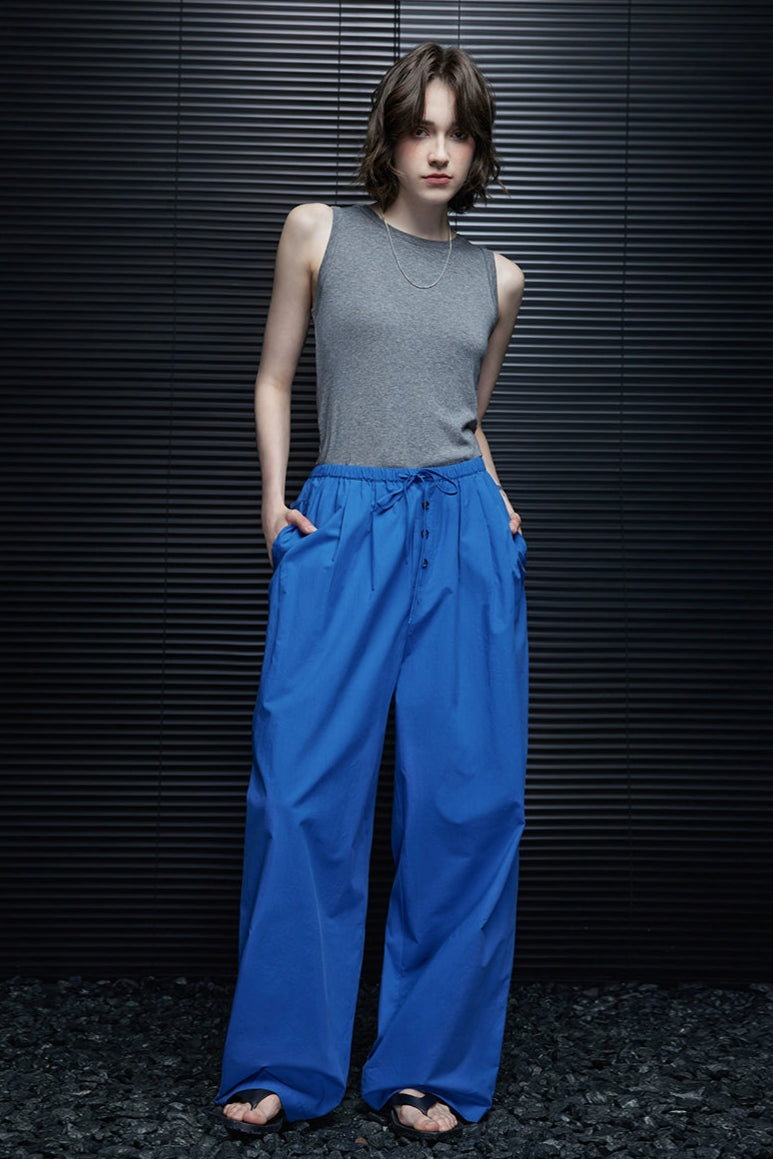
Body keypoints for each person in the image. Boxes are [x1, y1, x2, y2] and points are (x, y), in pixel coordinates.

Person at [213, 41, 528, 1141]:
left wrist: (500, 506)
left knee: (464, 803)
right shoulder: (317, 232)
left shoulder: (498, 279)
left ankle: (426, 1067)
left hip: (463, 532)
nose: (438, 150)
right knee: (300, 792)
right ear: (389, 138)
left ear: (477, 150)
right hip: (342, 521)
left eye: (458, 133)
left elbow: (466, 417)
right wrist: (271, 505)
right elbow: (273, 375)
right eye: (420, 128)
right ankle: (280, 1062)